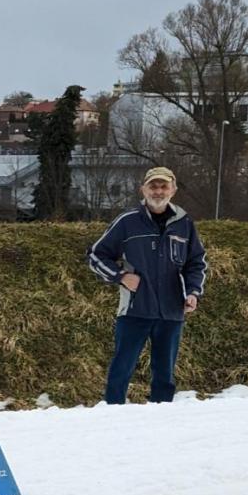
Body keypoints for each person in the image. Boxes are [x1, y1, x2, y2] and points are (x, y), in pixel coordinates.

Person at [86, 166, 207, 405]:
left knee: (164, 374)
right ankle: (113, 415)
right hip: (134, 309)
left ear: (173, 190)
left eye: (164, 186)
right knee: (121, 369)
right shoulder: (128, 221)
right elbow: (96, 255)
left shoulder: (184, 223)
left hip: (172, 310)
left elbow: (196, 263)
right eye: (153, 186)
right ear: (143, 189)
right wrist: (120, 276)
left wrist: (193, 292)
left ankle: (160, 420)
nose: (158, 191)